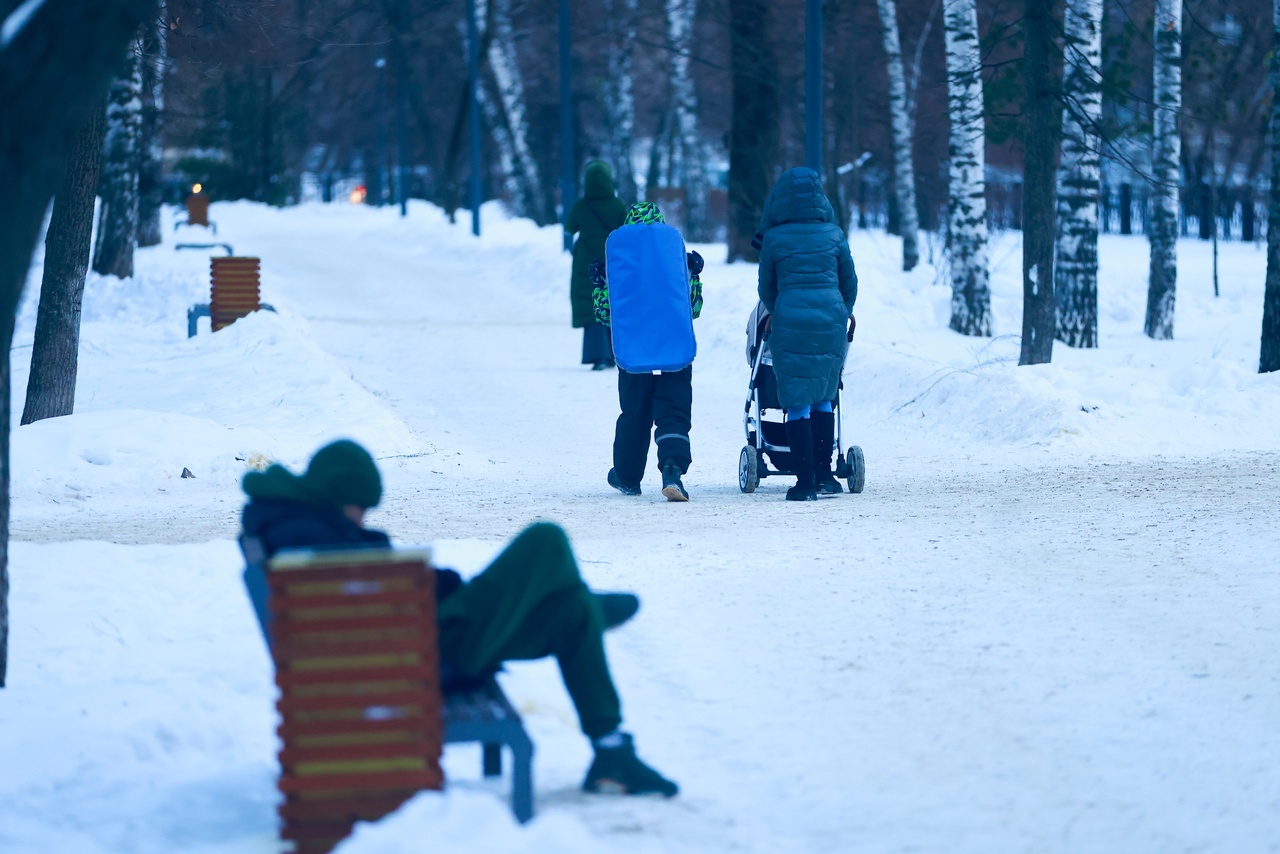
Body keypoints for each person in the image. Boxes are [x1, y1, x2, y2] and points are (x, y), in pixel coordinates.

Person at [239, 439, 679, 798]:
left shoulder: (295, 526)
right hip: (424, 655)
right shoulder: (308, 534)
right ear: (338, 494)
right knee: (546, 541)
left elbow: (373, 596)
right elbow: (377, 594)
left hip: (407, 648)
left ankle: (611, 751)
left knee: (572, 614)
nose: (363, 516)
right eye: (360, 507)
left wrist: (433, 584)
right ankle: (591, 607)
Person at [754, 167, 857, 501]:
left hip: (791, 324)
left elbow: (766, 289)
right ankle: (826, 476)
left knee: (797, 400)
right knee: (824, 397)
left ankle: (805, 482)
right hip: (830, 322)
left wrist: (782, 309)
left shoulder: (773, 238)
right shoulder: (834, 234)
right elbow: (850, 283)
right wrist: (840, 311)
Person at [589, 202, 703, 502]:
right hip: (674, 351)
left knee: (634, 414)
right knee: (673, 412)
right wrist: (695, 276)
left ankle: (627, 477)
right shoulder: (673, 264)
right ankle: (672, 469)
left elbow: (605, 314)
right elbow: (693, 308)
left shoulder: (621, 267)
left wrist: (600, 284)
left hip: (634, 355)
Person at [565, 160, 627, 370]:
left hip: (586, 262)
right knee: (612, 303)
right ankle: (613, 353)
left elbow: (569, 227)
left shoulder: (581, 206)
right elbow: (625, 230)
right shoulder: (618, 205)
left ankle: (596, 354)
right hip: (612, 260)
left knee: (590, 304)